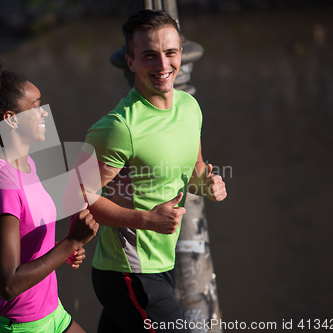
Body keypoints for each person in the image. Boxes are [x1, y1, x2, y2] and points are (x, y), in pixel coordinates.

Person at [82, 10, 227, 333]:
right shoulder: (119, 127)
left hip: (163, 263)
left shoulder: (189, 107)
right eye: (149, 56)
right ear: (130, 62)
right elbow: (75, 197)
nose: (163, 66)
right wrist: (146, 220)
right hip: (126, 273)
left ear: (181, 55)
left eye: (171, 53)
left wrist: (208, 184)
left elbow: (194, 169)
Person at [0, 48, 99, 333]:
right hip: (20, 325)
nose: (44, 113)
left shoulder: (24, 163)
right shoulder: (2, 182)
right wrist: (71, 243)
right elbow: (9, 284)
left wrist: (54, 251)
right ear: (11, 118)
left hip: (52, 313)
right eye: (36, 105)